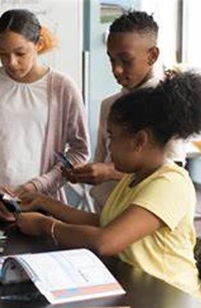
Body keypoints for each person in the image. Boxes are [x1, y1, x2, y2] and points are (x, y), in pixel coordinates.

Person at [16, 70, 201, 299]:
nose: (109, 147)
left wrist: (45, 225)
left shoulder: (170, 183)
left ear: (140, 140)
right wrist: (45, 202)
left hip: (171, 303)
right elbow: (106, 222)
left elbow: (106, 241)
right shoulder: (133, 177)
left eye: (113, 138)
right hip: (139, 293)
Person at [0, 9, 90, 224]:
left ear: (39, 44)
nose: (11, 62)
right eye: (3, 53)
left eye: (20, 53)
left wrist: (38, 186)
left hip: (44, 206)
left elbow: (80, 151)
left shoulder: (62, 87)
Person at [66, 10, 186, 211]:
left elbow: (172, 170)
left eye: (126, 60)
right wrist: (88, 173)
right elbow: (102, 160)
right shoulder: (109, 105)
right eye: (112, 60)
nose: (116, 69)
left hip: (142, 217)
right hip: (105, 212)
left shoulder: (168, 103)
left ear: (152, 55)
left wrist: (110, 172)